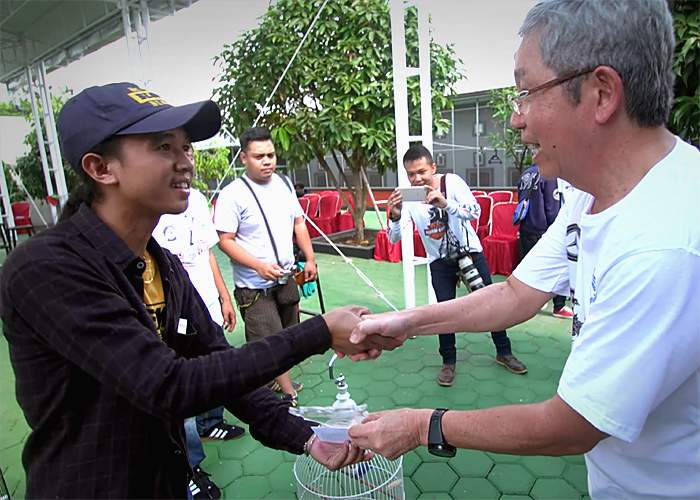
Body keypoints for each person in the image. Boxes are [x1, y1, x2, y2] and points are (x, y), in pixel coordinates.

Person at [349, 1, 700, 498]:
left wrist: (422, 425)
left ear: (602, 94)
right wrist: (407, 323)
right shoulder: (590, 192)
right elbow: (515, 293)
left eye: (526, 92)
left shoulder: (667, 246)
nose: (516, 119)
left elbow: (572, 424)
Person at [0, 82, 379, 499]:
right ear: (101, 168)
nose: (186, 162)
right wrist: (319, 332)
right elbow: (169, 386)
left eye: (186, 147)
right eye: (164, 147)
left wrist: (305, 436)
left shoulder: (159, 261)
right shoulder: (47, 268)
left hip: (164, 479)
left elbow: (216, 359)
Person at [386, 144, 527, 385]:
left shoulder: (452, 183)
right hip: (440, 262)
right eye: (411, 174)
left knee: (492, 305)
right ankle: (448, 362)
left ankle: (504, 352)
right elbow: (394, 238)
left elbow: (474, 212)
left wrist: (445, 203)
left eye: (422, 171)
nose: (417, 178)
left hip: (470, 254)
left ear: (433, 167)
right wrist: (396, 216)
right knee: (444, 312)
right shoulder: (408, 199)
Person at [214, 127, 317, 406]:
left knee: (290, 335)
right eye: (259, 156)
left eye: (270, 154)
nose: (267, 161)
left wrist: (309, 258)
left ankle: (273, 377)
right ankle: (286, 393)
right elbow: (225, 240)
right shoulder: (232, 194)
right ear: (244, 158)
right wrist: (258, 266)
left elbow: (299, 223)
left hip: (285, 278)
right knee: (269, 340)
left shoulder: (284, 184)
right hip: (253, 286)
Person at [516, 164, 572, 318]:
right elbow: (551, 206)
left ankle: (532, 301)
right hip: (543, 228)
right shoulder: (550, 175)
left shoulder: (526, 174)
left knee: (529, 267)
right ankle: (559, 306)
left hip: (526, 226)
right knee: (557, 268)